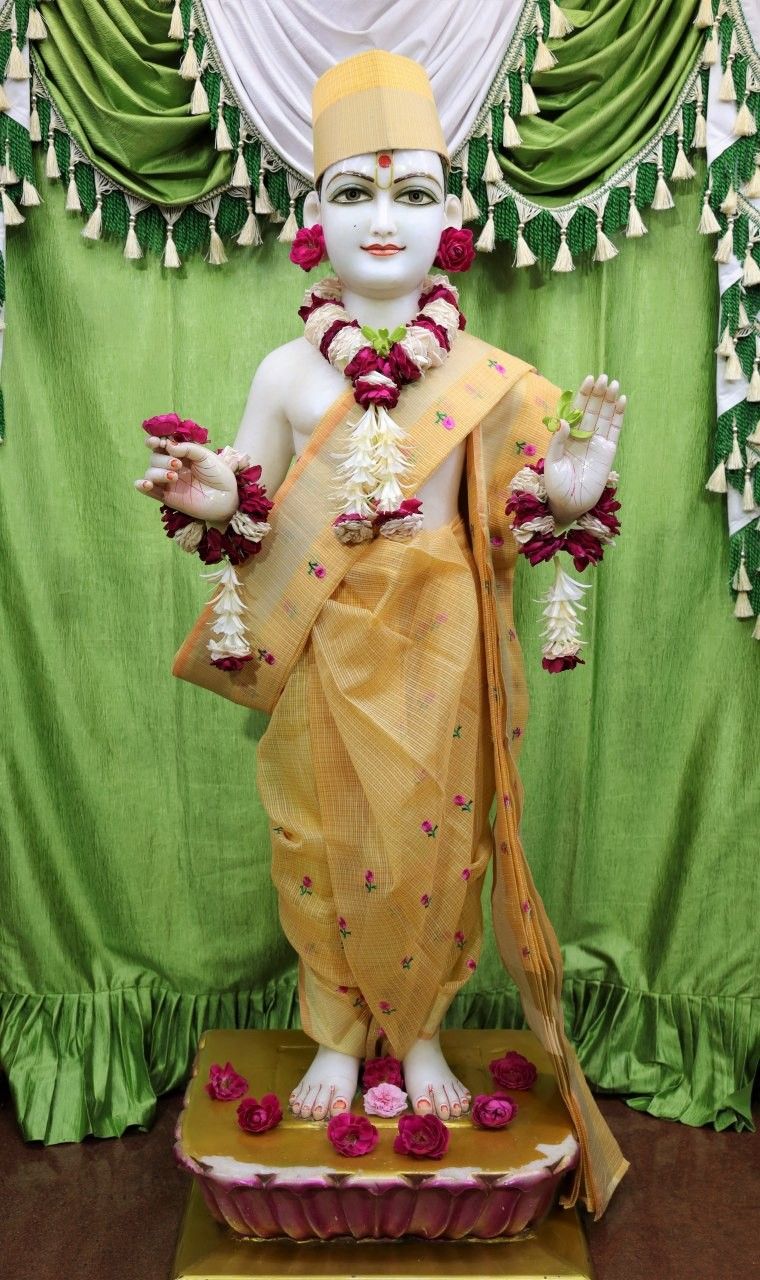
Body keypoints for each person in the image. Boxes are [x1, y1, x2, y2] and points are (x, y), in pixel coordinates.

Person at [135, 51, 627, 1215]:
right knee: (315, 838)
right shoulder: (289, 370)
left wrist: (564, 490)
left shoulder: (487, 378)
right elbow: (249, 502)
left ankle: (418, 1042)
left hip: (445, 654)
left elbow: (516, 521)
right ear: (312, 220)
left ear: (451, 218)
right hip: (321, 651)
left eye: (412, 193)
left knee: (438, 848)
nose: (383, 220)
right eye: (352, 191)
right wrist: (214, 496)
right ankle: (335, 1037)